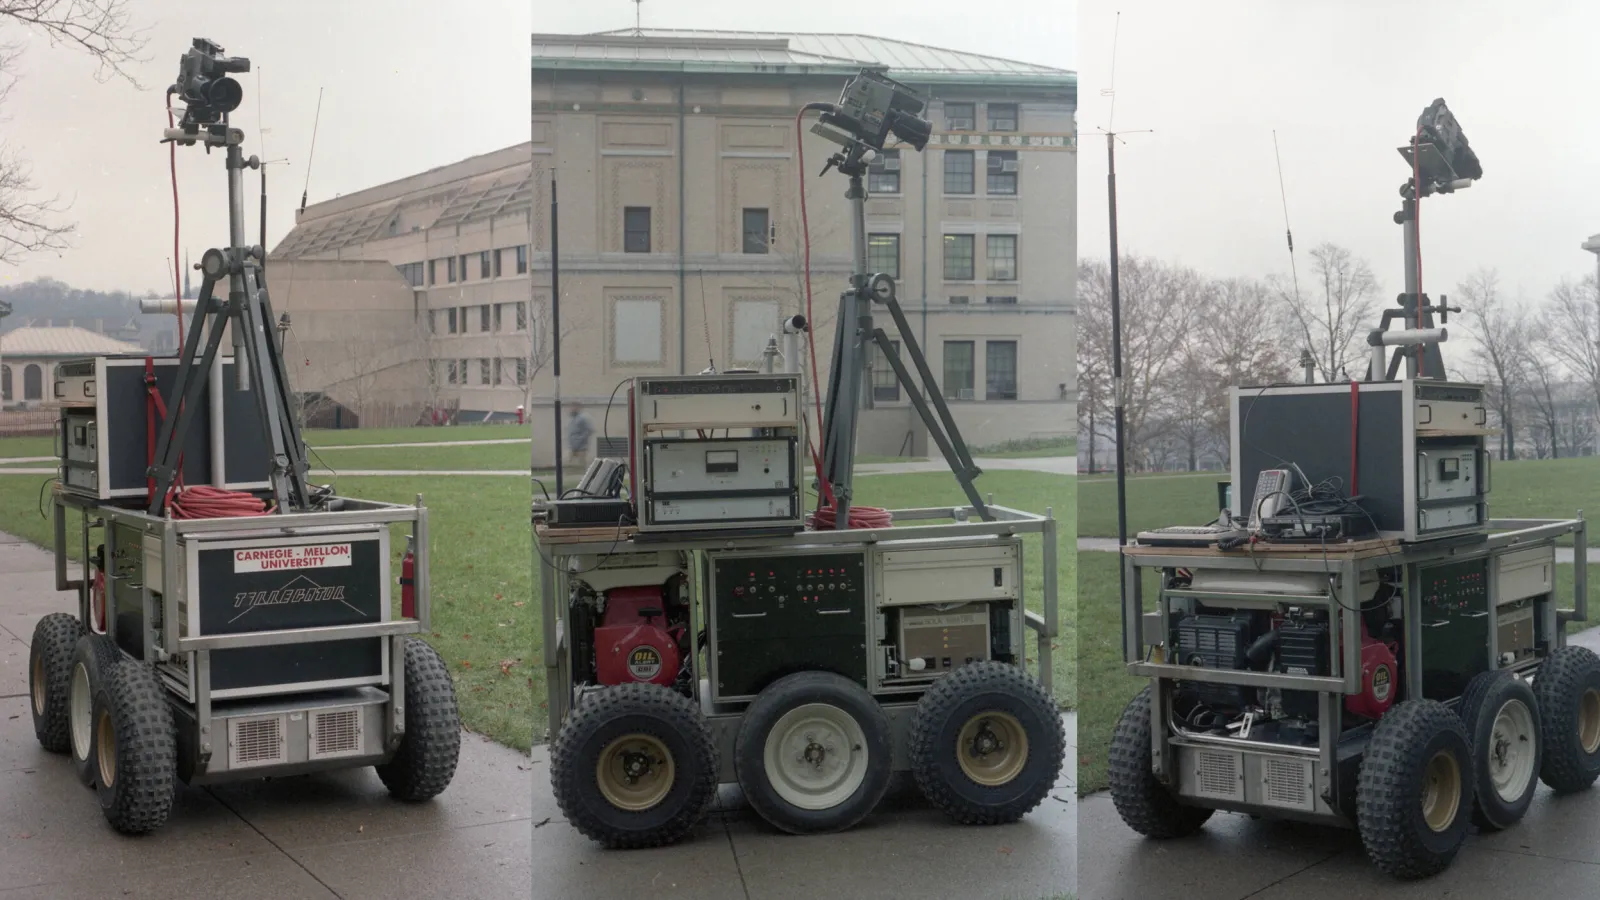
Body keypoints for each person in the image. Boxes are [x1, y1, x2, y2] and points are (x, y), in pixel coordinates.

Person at [566, 402, 594, 469]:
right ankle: (570, 473)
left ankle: (585, 473)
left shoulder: (583, 418)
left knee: (581, 463)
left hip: (581, 446)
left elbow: (589, 430)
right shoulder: (573, 418)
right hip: (573, 445)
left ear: (578, 408)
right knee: (568, 462)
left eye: (573, 407)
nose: (571, 409)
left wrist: (580, 440)